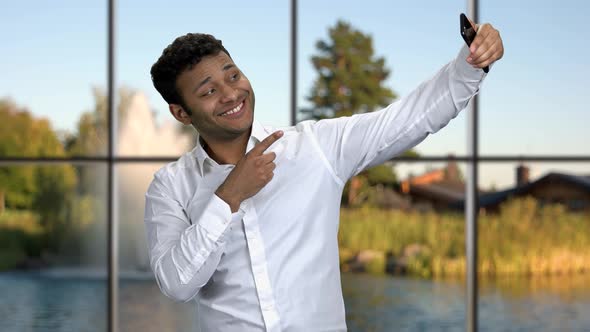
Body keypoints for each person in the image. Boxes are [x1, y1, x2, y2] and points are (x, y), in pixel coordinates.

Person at [145, 17, 504, 332]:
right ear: (181, 113)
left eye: (233, 75)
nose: (230, 93)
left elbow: (409, 119)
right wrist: (229, 197)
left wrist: (471, 65)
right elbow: (177, 284)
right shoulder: (170, 187)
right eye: (209, 90)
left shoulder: (315, 148)